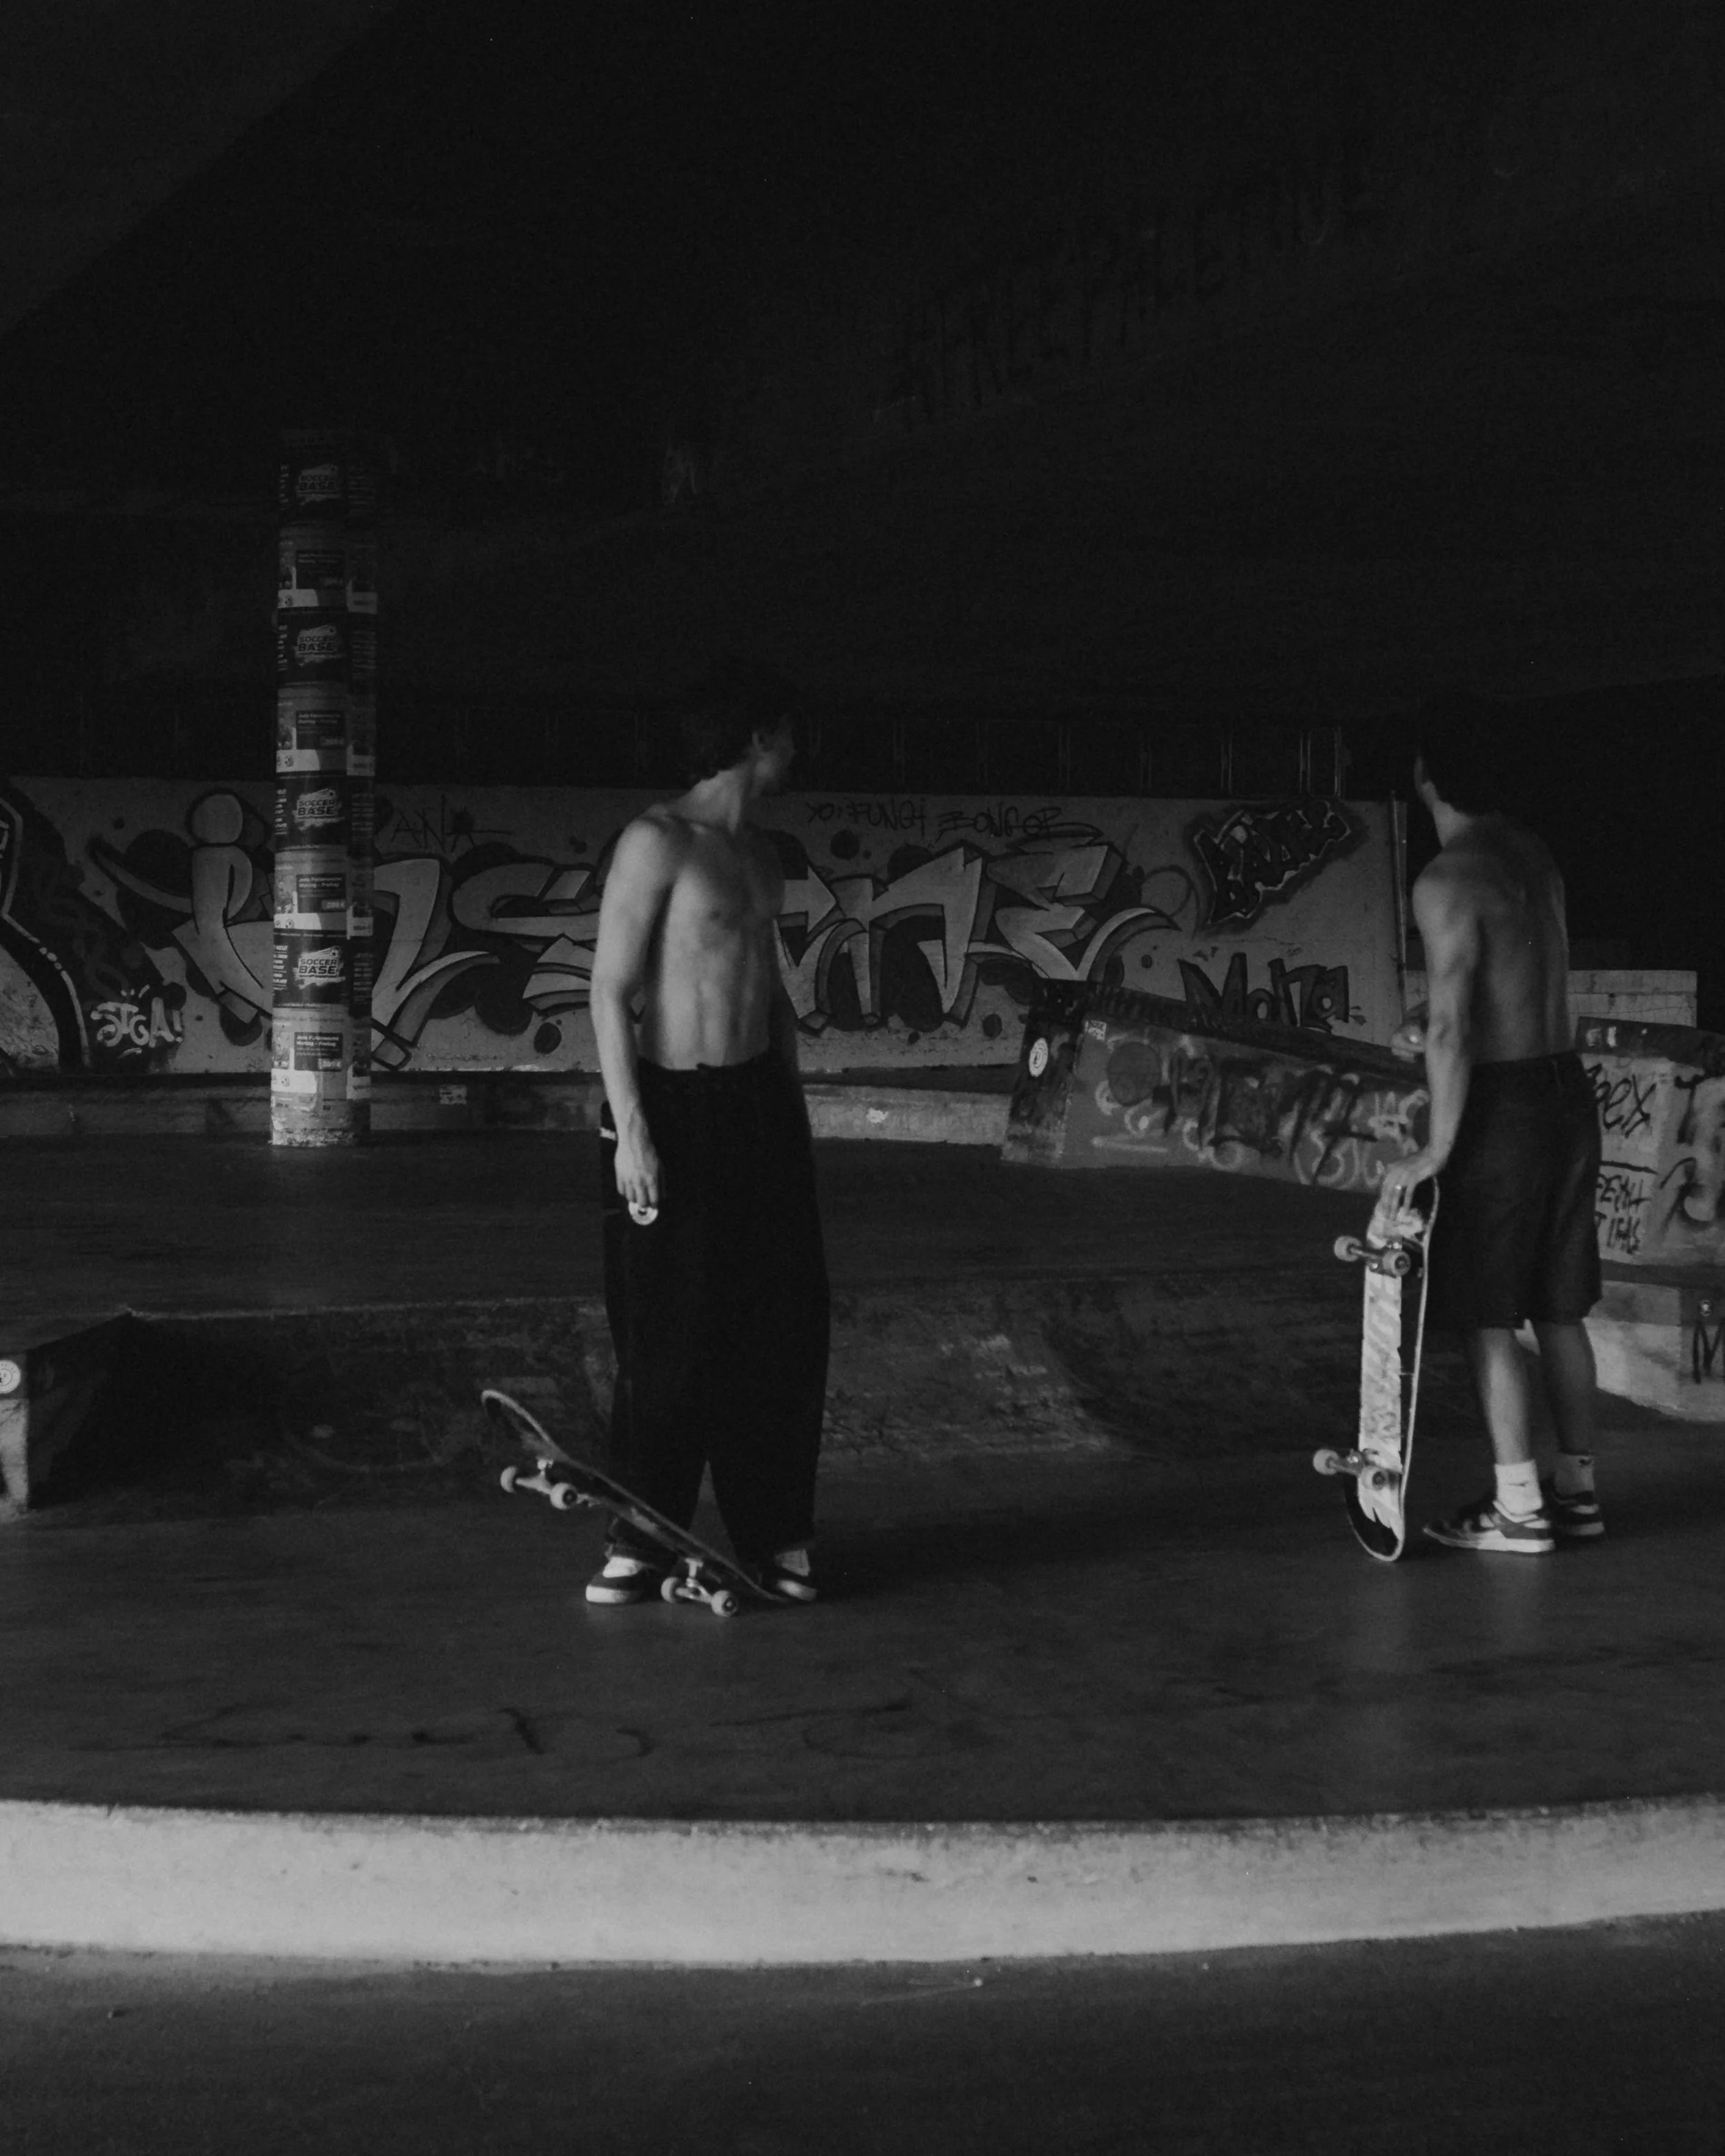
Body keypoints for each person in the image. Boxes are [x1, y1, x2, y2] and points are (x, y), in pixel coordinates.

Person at [585, 659, 829, 1605]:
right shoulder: (658, 840)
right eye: (789, 734)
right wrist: (632, 1133)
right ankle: (642, 1533)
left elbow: (770, 1001)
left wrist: (793, 1120)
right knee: (668, 1331)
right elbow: (608, 990)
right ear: (757, 738)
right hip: (669, 1106)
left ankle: (777, 1536)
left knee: (779, 1325)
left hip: (757, 1110)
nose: (797, 752)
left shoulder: (764, 857)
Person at [1380, 698, 1603, 1555]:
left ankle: (1517, 1507)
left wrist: (1436, 1144)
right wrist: (1425, 1010)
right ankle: (1576, 1493)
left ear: (1424, 777)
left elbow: (1452, 1029)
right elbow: (1513, 974)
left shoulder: (1443, 878)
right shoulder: (1533, 857)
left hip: (1502, 1108)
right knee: (1559, 1307)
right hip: (1566, 1090)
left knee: (1486, 1310)